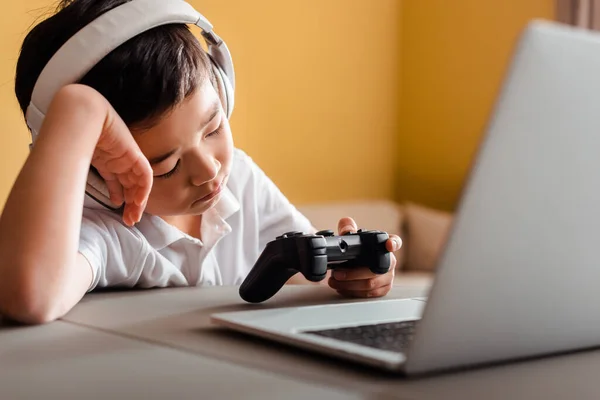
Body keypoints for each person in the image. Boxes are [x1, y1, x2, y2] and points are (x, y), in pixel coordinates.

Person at [0, 0, 402, 325]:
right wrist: (78, 111)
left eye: (212, 129)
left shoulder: (240, 179)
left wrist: (354, 275)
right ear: (97, 178)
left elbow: (312, 276)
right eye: (164, 166)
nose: (209, 171)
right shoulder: (104, 231)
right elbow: (28, 298)